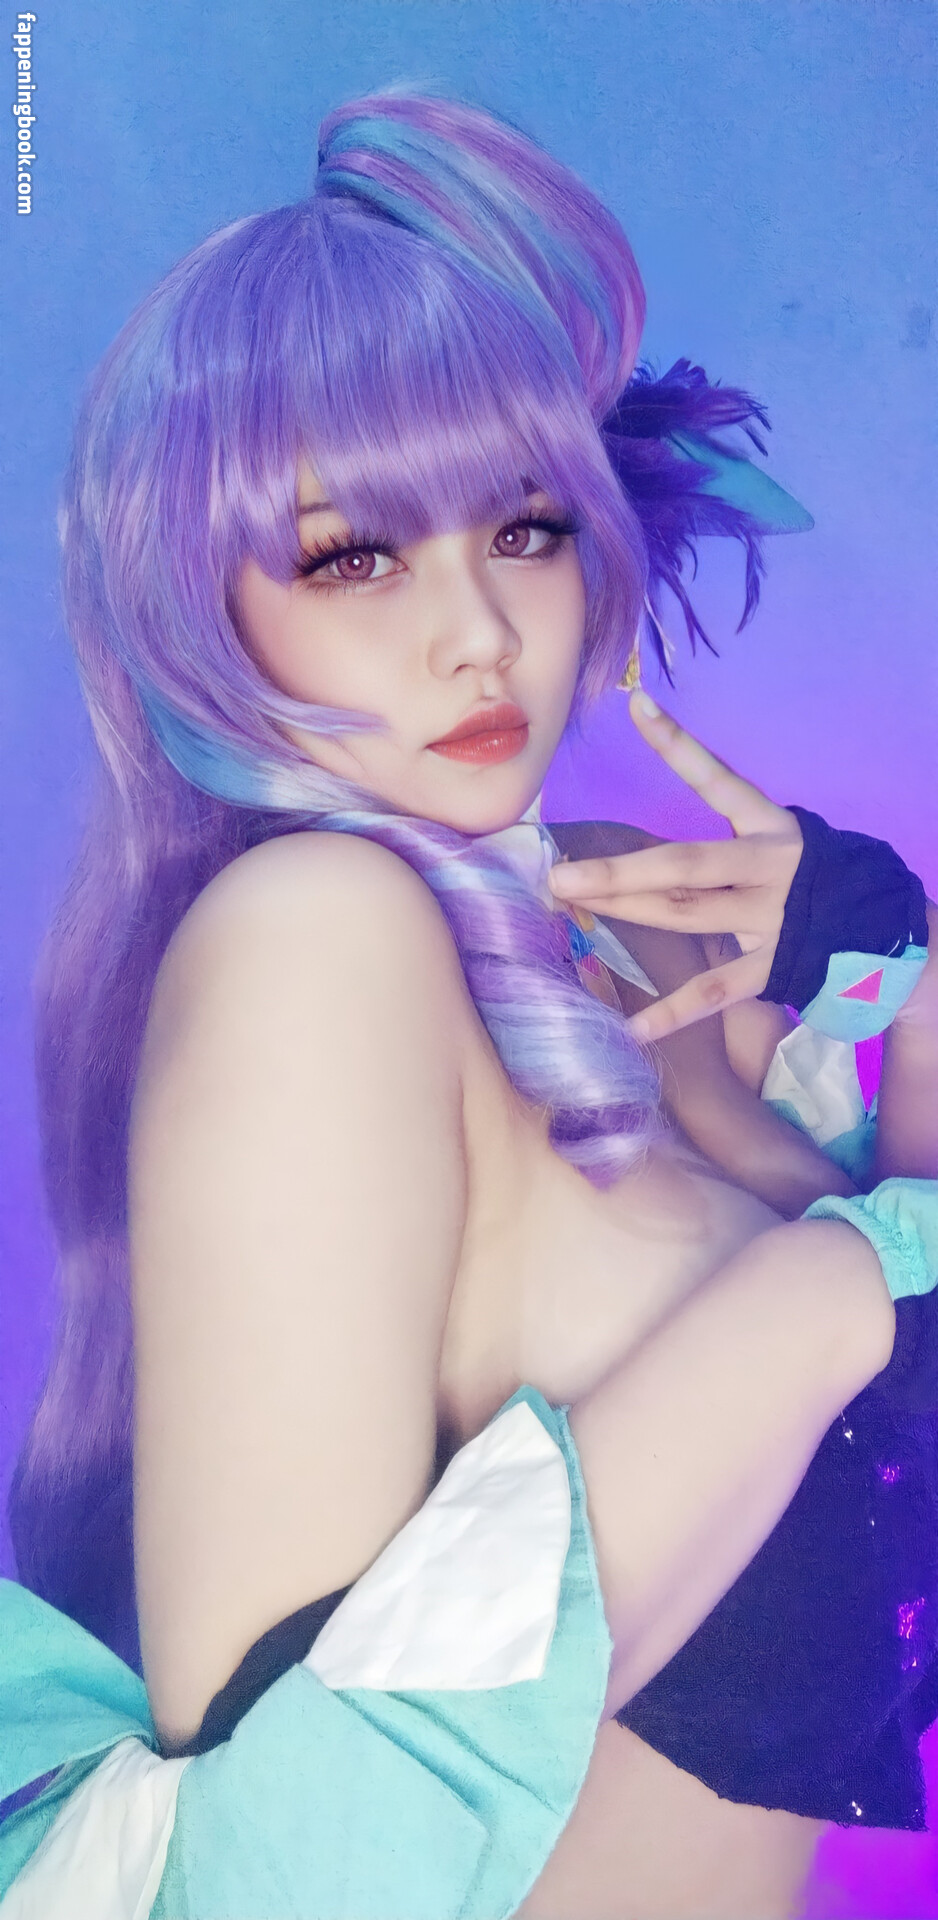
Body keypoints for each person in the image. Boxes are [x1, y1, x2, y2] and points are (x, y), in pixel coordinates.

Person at [2, 88, 937, 1920]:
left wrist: (891, 953)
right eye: (352, 554)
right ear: (203, 610)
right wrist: (837, 1291)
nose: (479, 634)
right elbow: (285, 1864)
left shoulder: (632, 917)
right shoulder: (313, 938)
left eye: (522, 528)